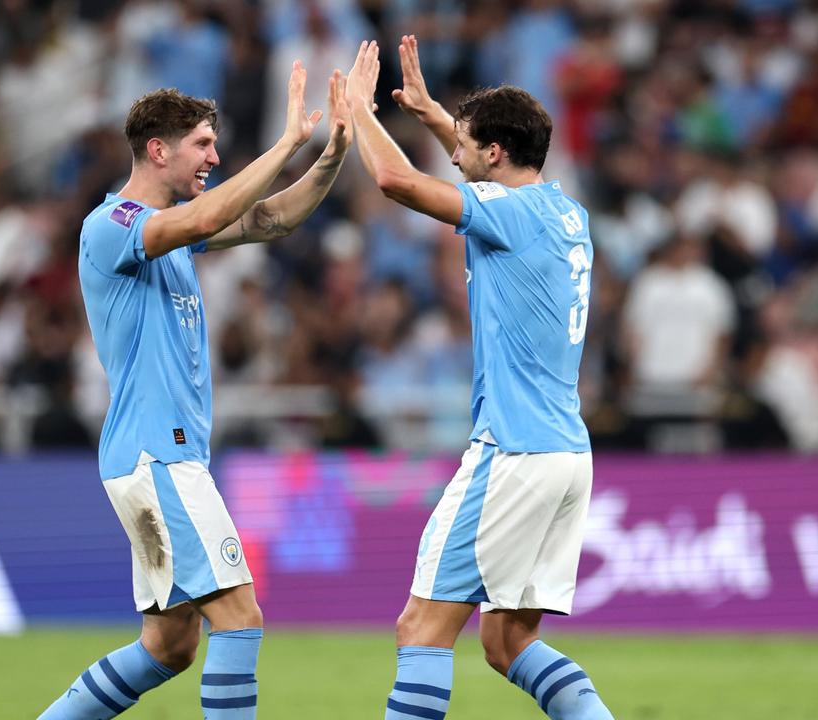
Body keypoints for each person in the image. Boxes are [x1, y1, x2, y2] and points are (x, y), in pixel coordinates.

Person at [37, 62, 353, 720]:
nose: (214, 156)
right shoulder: (114, 223)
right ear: (159, 150)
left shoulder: (175, 233)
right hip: (158, 456)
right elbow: (205, 215)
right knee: (239, 618)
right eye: (204, 144)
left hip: (156, 459)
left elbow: (270, 219)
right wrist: (284, 141)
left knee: (170, 645)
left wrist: (330, 154)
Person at [344, 38, 616, 720]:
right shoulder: (565, 212)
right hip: (565, 456)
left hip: (512, 453)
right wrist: (439, 117)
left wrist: (359, 111)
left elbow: (396, 182)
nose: (455, 155)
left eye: (464, 145)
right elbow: (483, 174)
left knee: (421, 628)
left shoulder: (508, 215)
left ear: (493, 152)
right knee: (505, 639)